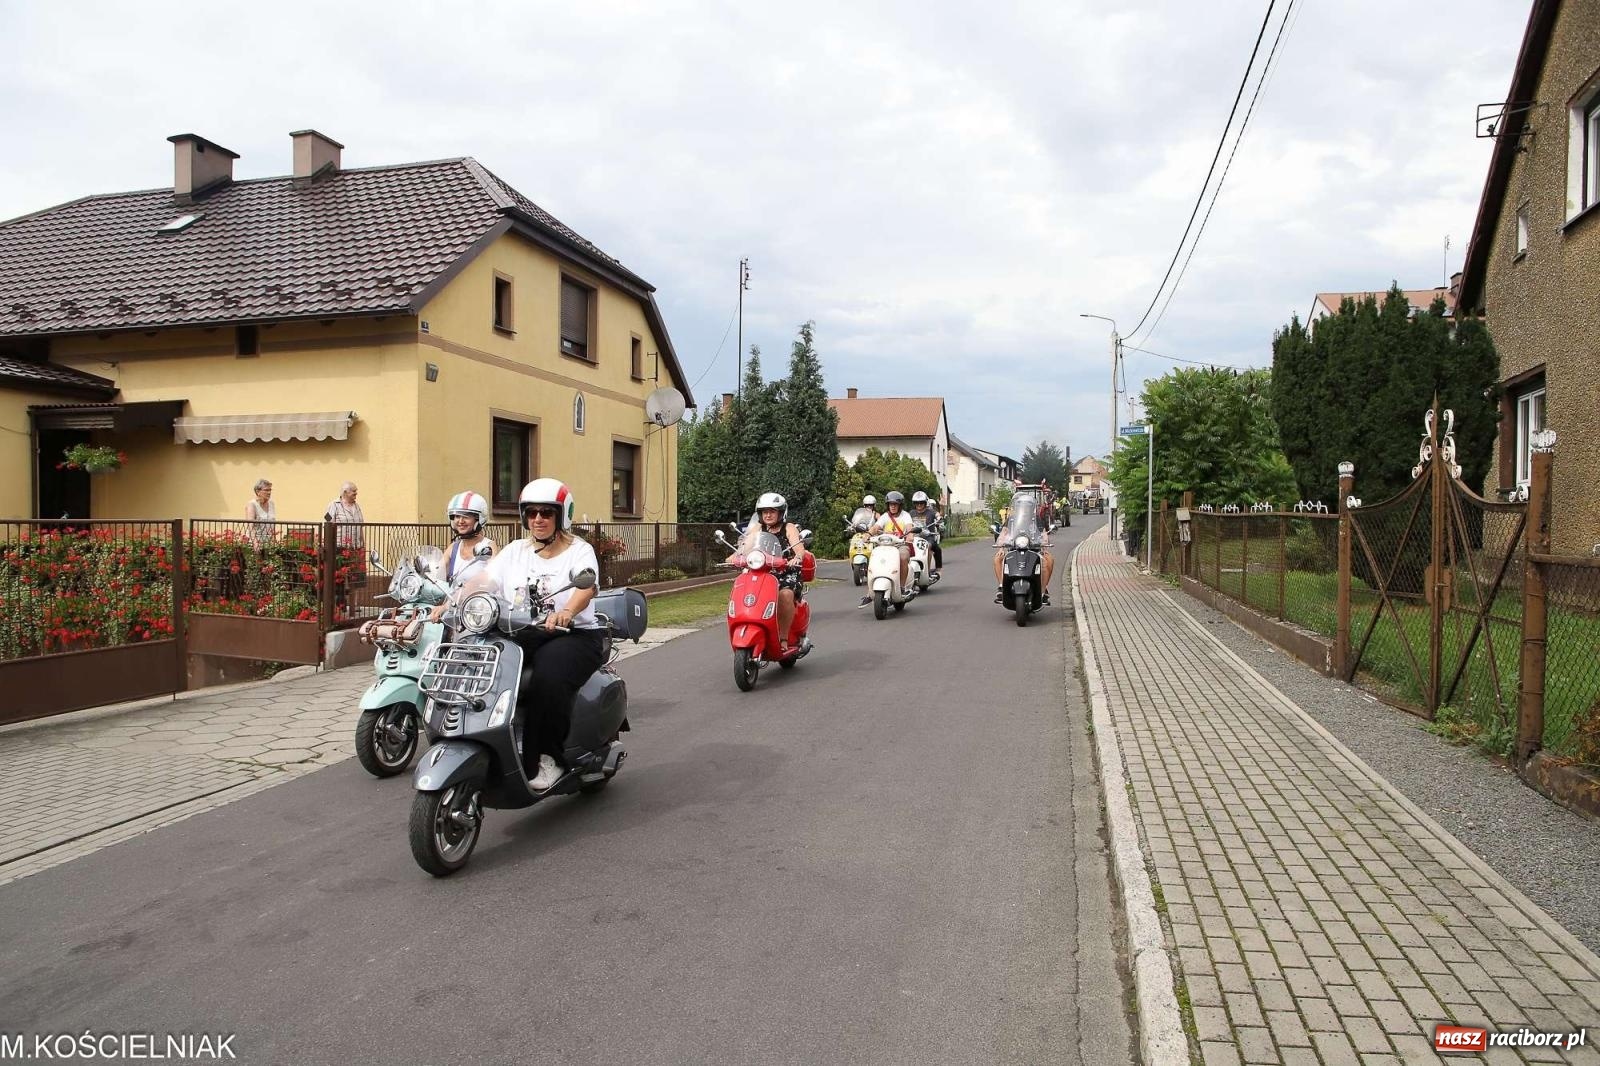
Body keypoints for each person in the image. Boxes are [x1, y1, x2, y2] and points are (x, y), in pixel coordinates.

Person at [481, 478, 606, 792]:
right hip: (525, 631)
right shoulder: (515, 551)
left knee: (548, 676)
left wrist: (568, 611)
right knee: (481, 661)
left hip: (573, 634)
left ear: (562, 515)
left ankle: (549, 757)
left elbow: (586, 587)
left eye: (546, 513)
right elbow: (485, 580)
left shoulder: (579, 551)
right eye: (531, 512)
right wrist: (453, 602)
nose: (538, 519)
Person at [726, 491, 807, 652]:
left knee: (785, 594)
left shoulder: (788, 527)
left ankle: (783, 638)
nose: (768, 515)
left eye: (772, 511)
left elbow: (799, 548)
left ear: (781, 513)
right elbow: (745, 547)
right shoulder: (758, 528)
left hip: (786, 571)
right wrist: (733, 557)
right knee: (745, 591)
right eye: (764, 512)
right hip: (762, 571)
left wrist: (797, 557)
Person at [430, 490, 497, 622]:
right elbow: (437, 574)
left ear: (479, 519)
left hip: (477, 613)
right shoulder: (454, 547)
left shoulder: (488, 546)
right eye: (456, 516)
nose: (460, 521)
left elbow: (492, 578)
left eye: (466, 516)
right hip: (452, 611)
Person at [994, 486, 1054, 605]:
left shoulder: (1036, 519)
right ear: (1017, 508)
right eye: (1022, 507)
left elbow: (1043, 534)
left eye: (1027, 507)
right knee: (998, 558)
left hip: (1033, 549)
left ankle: (1043, 590)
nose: (1025, 509)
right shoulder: (1011, 519)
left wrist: (1044, 544)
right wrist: (1001, 546)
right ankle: (1002, 587)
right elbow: (1003, 534)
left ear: (1031, 508)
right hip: (1013, 549)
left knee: (1049, 560)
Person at [859, 490, 913, 604]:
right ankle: (870, 592)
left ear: (900, 505)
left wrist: (910, 535)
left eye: (895, 504)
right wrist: (868, 534)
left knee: (903, 557)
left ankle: (902, 588)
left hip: (900, 545)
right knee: (873, 557)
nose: (893, 506)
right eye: (890, 504)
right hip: (885, 546)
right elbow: (875, 527)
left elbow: (909, 527)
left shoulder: (906, 516)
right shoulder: (885, 516)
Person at [909, 490, 943, 574]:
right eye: (917, 503)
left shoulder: (931, 512)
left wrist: (940, 515)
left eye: (921, 502)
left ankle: (927, 571)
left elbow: (938, 515)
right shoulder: (911, 513)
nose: (919, 505)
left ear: (925, 503)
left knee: (929, 547)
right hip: (914, 538)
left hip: (928, 538)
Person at [324, 481, 365, 549]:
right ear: (345, 492)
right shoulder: (333, 505)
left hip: (356, 547)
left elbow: (360, 528)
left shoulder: (357, 506)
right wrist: (329, 547)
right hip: (340, 548)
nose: (356, 493)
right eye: (354, 491)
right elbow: (327, 524)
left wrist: (363, 545)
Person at [244, 478, 276, 547]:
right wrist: (255, 543)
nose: (269, 492)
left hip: (268, 543)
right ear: (258, 491)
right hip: (255, 543)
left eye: (270, 490)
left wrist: (274, 542)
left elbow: (272, 527)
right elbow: (251, 527)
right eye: (266, 490)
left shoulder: (271, 504)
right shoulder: (252, 505)